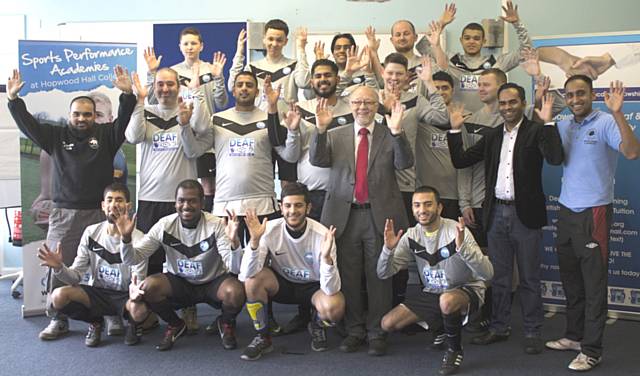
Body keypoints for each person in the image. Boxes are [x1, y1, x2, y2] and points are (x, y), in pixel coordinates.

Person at [6, 66, 139, 340]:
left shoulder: (107, 136)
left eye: (87, 114)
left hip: (101, 216)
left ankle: (111, 314)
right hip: (64, 215)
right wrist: (13, 101)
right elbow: (28, 125)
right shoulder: (55, 136)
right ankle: (58, 317)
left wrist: (127, 93)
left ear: (94, 116)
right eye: (76, 114)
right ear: (70, 115)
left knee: (106, 266)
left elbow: (125, 118)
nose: (81, 118)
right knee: (57, 264)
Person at [447, 83, 563, 354]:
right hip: (496, 213)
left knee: (529, 277)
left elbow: (556, 159)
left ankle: (533, 330)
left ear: (522, 103)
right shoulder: (492, 136)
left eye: (513, 102)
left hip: (525, 215)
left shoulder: (536, 131)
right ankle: (499, 327)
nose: (508, 107)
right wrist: (454, 130)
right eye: (504, 103)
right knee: (498, 276)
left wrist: (548, 124)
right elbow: (461, 161)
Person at [309, 85, 413, 356]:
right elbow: (317, 159)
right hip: (344, 217)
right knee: (350, 277)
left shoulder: (391, 131)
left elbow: (404, 164)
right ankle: (354, 330)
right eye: (357, 102)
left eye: (368, 102)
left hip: (380, 218)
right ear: (350, 105)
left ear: (377, 105)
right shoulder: (335, 134)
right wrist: (319, 130)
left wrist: (398, 133)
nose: (363, 107)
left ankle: (377, 332)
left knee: (380, 276)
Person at [546, 76, 640, 371]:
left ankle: (592, 349)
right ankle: (574, 336)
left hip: (594, 212)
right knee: (571, 280)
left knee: (594, 284)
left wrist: (617, 112)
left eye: (581, 94)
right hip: (566, 210)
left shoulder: (606, 121)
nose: (575, 99)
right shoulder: (563, 124)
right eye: (570, 95)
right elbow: (551, 154)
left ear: (592, 95)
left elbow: (632, 152)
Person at [125, 66, 211, 334]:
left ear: (178, 86)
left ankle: (188, 307)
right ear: (154, 87)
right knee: (151, 259)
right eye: (160, 84)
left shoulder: (189, 110)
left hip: (184, 201)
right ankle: (148, 312)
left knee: (187, 256)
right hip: (150, 198)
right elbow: (133, 137)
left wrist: (186, 120)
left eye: (170, 84)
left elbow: (199, 139)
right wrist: (139, 101)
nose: (165, 89)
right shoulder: (145, 111)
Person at [113, 179, 245, 351]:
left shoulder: (217, 225)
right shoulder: (164, 225)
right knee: (149, 286)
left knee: (235, 291)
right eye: (181, 200)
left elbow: (234, 268)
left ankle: (226, 323)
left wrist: (234, 242)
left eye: (192, 201)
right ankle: (175, 324)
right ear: (175, 203)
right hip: (180, 283)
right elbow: (134, 259)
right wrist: (126, 239)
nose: (186, 206)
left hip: (212, 283)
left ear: (202, 203)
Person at [378, 186, 493, 375]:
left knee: (447, 301)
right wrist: (388, 250)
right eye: (417, 205)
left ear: (439, 208)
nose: (422, 210)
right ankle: (440, 327)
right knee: (387, 323)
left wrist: (464, 249)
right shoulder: (411, 235)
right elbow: (383, 273)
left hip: (465, 290)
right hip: (433, 292)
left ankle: (454, 350)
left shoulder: (457, 230)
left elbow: (487, 273)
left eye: (427, 204)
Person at [238, 182, 345, 360]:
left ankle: (317, 325)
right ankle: (263, 337)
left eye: (298, 205)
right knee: (252, 281)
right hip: (283, 285)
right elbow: (245, 274)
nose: (292, 211)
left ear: (308, 208)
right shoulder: (269, 229)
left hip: (313, 288)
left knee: (335, 308)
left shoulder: (323, 235)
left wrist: (327, 260)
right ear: (281, 208)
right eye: (288, 205)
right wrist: (255, 242)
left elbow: (331, 289)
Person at [36, 183, 146, 347]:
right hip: (97, 294)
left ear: (128, 206)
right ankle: (95, 322)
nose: (114, 205)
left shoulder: (139, 238)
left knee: (139, 311)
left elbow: (138, 279)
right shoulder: (91, 232)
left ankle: (132, 324)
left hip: (124, 295)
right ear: (103, 206)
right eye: (109, 200)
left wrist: (136, 294)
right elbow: (76, 275)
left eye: (119, 200)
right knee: (58, 296)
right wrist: (59, 267)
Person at [144, 27, 229, 212]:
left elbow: (221, 102)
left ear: (201, 46)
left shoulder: (211, 69)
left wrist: (219, 77)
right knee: (185, 185)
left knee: (208, 186)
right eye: (186, 43)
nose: (190, 47)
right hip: (181, 129)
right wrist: (151, 74)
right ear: (180, 47)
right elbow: (152, 100)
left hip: (204, 130)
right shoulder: (172, 72)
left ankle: (207, 222)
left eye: (194, 43)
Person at [429, 1, 532, 112]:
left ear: (484, 41)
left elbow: (526, 51)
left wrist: (517, 24)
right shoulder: (450, 60)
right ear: (461, 40)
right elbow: (426, 45)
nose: (471, 42)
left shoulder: (496, 63)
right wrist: (441, 24)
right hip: (457, 120)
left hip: (489, 121)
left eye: (476, 38)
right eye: (467, 38)